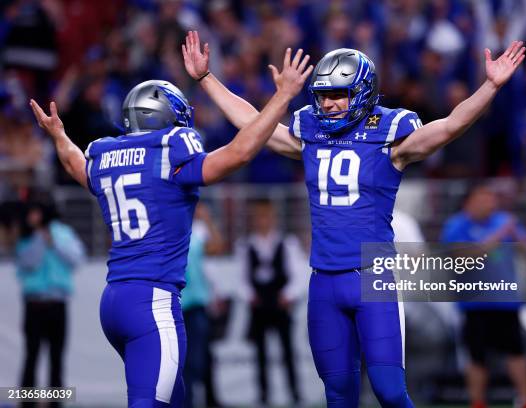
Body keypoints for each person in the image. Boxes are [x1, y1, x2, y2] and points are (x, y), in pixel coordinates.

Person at [183, 30, 526, 407]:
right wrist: (206, 79)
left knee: (390, 391)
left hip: (372, 278)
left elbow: (448, 126)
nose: (328, 105)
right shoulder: (310, 134)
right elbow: (253, 124)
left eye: (338, 95)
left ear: (361, 92)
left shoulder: (388, 134)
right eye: (324, 96)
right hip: (324, 281)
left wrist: (489, 87)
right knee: (338, 395)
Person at [29, 48, 312, 407]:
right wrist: (283, 96)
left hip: (113, 300)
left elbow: (76, 166)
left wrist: (59, 136)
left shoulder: (106, 155)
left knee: (174, 400)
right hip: (153, 302)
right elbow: (240, 153)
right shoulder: (170, 150)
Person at [441, 186, 526, 408]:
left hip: (507, 302)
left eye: (492, 198)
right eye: (483, 198)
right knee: (477, 356)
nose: (489, 203)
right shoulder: (457, 225)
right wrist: (495, 238)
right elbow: (458, 256)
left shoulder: (505, 220)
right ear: (469, 202)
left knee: (516, 352)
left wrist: (525, 242)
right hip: (473, 304)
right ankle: (477, 402)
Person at [235, 198, 308, 407]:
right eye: (258, 217)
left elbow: (298, 275)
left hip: (280, 304)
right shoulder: (245, 245)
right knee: (260, 354)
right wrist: (250, 295)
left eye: (266, 216)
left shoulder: (287, 243)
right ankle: (263, 395)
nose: (262, 221)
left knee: (287, 351)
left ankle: (295, 394)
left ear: (273, 218)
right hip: (258, 306)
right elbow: (241, 279)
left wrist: (288, 295)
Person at [15, 199, 85, 408]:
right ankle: (27, 403)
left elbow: (76, 259)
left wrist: (53, 242)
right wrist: (39, 239)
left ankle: (55, 403)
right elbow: (28, 262)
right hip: (34, 304)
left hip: (57, 303)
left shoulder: (63, 233)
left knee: (56, 357)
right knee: (31, 355)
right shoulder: (26, 237)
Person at [182, 202, 225, 408]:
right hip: (176, 305)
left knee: (197, 360)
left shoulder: (198, 230)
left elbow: (217, 247)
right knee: (183, 361)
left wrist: (207, 219)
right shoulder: (172, 228)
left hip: (197, 303)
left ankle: (195, 400)